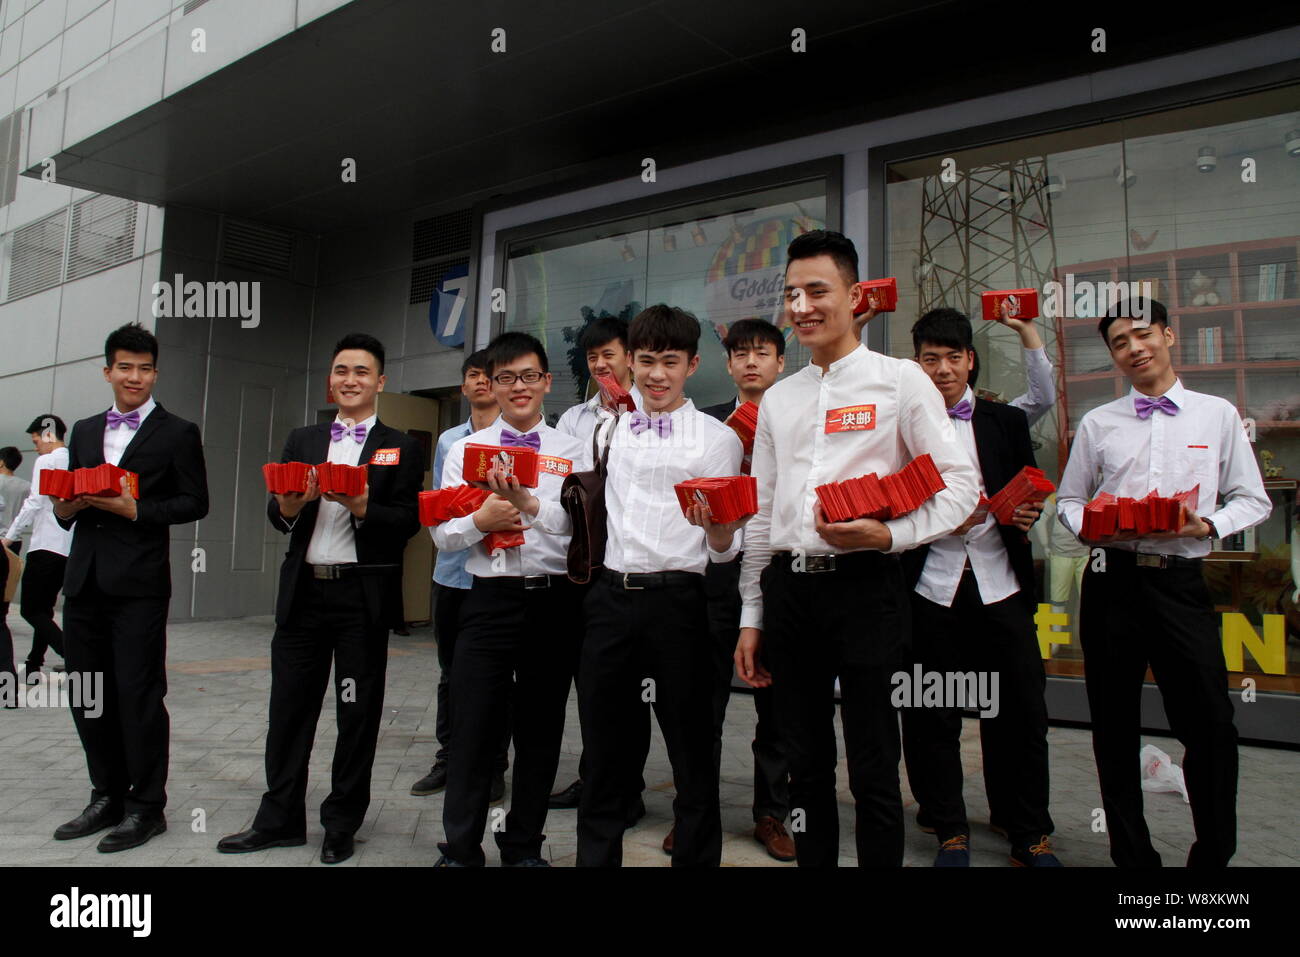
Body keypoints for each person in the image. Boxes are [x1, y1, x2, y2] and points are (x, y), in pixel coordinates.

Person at [735, 230, 979, 867]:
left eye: (818, 290)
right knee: (804, 761)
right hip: (790, 589)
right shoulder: (780, 398)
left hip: (867, 586)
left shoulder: (900, 381)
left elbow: (961, 486)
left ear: (854, 295)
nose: (803, 306)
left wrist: (891, 536)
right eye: (792, 293)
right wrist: (752, 615)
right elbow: (761, 514)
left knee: (873, 760)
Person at [1057, 298, 1270, 868]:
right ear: (1113, 357)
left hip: (1180, 584)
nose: (1134, 348)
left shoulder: (1217, 414)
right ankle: (1134, 859)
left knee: (1211, 725)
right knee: (1113, 722)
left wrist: (1212, 525)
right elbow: (1069, 500)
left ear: (1170, 336)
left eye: (1143, 334)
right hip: (1112, 583)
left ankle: (1211, 859)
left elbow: (1253, 499)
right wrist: (1090, 528)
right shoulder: (1100, 423)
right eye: (1120, 343)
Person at [217, 333, 422, 864]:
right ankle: (279, 818)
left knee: (356, 714)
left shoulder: (400, 443)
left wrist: (361, 504)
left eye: (361, 372)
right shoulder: (303, 438)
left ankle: (341, 822)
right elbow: (278, 514)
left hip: (360, 597)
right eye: (340, 371)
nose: (349, 380)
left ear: (380, 382)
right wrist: (287, 505)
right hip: (305, 593)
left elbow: (406, 522)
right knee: (288, 710)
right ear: (330, 380)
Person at [576, 304, 745, 867]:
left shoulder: (719, 440)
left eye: (669, 362)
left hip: (683, 604)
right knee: (602, 754)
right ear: (631, 363)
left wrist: (721, 535)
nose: (656, 375)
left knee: (693, 754)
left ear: (693, 365)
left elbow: (726, 546)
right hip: (611, 598)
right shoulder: (610, 430)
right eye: (646, 361)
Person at [900, 308, 1060, 867]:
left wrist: (1027, 512)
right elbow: (889, 506)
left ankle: (1030, 832)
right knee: (930, 712)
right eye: (930, 359)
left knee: (1019, 710)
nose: (942, 369)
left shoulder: (1004, 422)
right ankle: (949, 829)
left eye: (952, 357)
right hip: (930, 589)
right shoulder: (901, 427)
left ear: (970, 360)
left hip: (1001, 587)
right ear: (916, 366)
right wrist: (939, 519)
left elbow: (1028, 488)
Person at [49, 323, 209, 853]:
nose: (134, 376)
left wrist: (137, 509)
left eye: (144, 368)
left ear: (155, 373)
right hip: (85, 581)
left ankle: (147, 807)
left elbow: (194, 502)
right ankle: (106, 795)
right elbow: (68, 499)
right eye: (124, 367)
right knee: (88, 693)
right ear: (108, 371)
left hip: (139, 585)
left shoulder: (178, 431)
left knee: (138, 695)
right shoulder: (86, 430)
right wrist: (65, 506)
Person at [432, 332, 589, 867]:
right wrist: (479, 520)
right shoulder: (464, 450)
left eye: (528, 376)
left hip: (552, 604)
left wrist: (528, 506)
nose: (517, 387)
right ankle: (460, 848)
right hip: (488, 601)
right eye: (505, 378)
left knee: (541, 730)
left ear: (547, 381)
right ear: (490, 386)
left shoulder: (571, 450)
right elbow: (442, 534)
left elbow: (581, 531)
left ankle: (523, 846)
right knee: (473, 728)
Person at [693, 318, 793, 862]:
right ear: (728, 365)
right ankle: (697, 815)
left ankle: (773, 813)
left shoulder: (803, 420)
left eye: (763, 353)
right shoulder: (709, 427)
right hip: (716, 573)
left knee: (776, 705)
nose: (752, 361)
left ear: (781, 362)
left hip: (778, 574)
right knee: (702, 700)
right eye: (741, 354)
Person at [549, 314, 644, 814]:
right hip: (585, 564)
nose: (601, 364)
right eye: (592, 357)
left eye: (609, 354)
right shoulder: (573, 419)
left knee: (631, 686)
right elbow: (560, 481)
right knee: (594, 683)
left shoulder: (649, 413)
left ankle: (628, 790)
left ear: (630, 356)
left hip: (631, 562)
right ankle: (595, 780)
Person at [409, 350, 509, 803]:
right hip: (452, 575)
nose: (483, 382)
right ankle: (448, 758)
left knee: (497, 676)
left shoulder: (518, 440)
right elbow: (438, 507)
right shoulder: (449, 441)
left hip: (498, 575)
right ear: (464, 386)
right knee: (451, 673)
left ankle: (493, 767)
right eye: (474, 375)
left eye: (492, 375)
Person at [4, 415, 74, 682]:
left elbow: (34, 502)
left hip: (45, 545)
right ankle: (34, 662)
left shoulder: (47, 461)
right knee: (43, 609)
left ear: (46, 435)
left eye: (36, 440)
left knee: (30, 610)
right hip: (68, 548)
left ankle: (73, 655)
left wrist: (9, 537)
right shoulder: (75, 460)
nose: (35, 447)